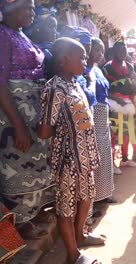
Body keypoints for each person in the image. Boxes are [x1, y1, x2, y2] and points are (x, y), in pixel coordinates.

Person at [38, 37, 103, 264]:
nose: (86, 60)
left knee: (87, 196)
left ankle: (81, 235)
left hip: (85, 154)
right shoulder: (54, 88)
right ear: (65, 60)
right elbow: (45, 131)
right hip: (68, 158)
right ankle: (72, 255)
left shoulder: (76, 84)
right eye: (81, 57)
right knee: (66, 204)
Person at [0, 0, 55, 228]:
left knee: (37, 163)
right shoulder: (2, 35)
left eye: (33, 7)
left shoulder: (22, 35)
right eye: (26, 7)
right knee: (19, 166)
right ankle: (19, 222)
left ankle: (34, 211)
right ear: (9, 9)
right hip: (15, 115)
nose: (32, 12)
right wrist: (18, 125)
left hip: (33, 114)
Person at [103, 41, 136, 171]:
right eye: (119, 51)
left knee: (127, 132)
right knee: (114, 134)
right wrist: (117, 100)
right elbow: (104, 90)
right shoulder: (106, 67)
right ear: (113, 52)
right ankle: (112, 164)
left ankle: (124, 159)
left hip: (128, 104)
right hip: (114, 104)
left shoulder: (130, 66)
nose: (122, 54)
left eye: (124, 51)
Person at [87, 37, 115, 203]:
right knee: (94, 155)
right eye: (96, 49)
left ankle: (105, 193)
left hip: (102, 114)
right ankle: (93, 199)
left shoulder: (98, 69)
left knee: (105, 155)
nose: (100, 53)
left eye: (102, 50)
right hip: (92, 115)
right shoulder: (84, 70)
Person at [24, 4, 57, 79]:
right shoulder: (43, 53)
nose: (54, 31)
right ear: (37, 28)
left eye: (55, 27)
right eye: (51, 26)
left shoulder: (56, 47)